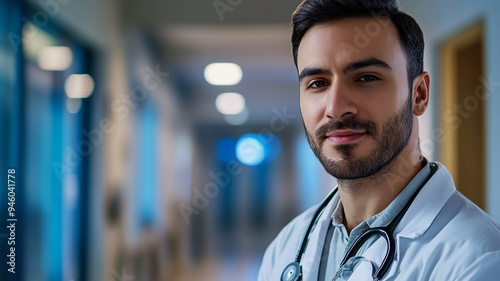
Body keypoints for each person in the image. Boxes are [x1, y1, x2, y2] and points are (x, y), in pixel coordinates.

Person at [258, 0, 500, 280]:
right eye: (318, 83)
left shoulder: (479, 260)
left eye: (366, 77)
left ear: (419, 94)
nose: (335, 108)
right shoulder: (286, 248)